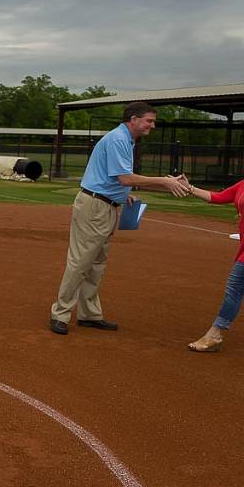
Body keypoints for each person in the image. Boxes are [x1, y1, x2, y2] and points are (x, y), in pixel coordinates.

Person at [48, 101, 190, 335]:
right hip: (95, 206)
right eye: (149, 120)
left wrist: (126, 195)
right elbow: (124, 178)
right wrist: (164, 181)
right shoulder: (118, 139)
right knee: (81, 262)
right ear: (133, 119)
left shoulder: (126, 140)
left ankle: (90, 314)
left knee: (96, 265)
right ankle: (60, 314)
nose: (152, 126)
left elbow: (115, 180)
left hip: (107, 205)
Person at [179, 175, 244, 352]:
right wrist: (189, 188)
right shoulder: (242, 185)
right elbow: (218, 197)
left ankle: (215, 334)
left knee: (235, 288)